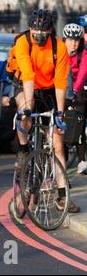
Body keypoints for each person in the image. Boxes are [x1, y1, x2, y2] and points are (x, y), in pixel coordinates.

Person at [13, 9, 79, 213]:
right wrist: (28, 109)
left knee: (57, 142)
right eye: (34, 30)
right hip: (26, 84)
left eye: (43, 31)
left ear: (50, 30)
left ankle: (61, 194)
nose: (38, 35)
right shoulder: (22, 42)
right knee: (26, 108)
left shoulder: (59, 48)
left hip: (49, 89)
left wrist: (59, 113)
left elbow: (60, 83)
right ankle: (24, 149)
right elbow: (28, 74)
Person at [63, 23, 87, 174]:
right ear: (64, 39)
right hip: (61, 88)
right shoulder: (58, 51)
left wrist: (74, 92)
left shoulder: (83, 53)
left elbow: (83, 72)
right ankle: (61, 164)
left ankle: (81, 160)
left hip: (78, 90)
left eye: (77, 40)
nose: (74, 43)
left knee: (78, 120)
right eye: (71, 39)